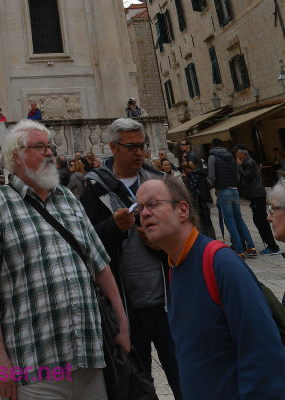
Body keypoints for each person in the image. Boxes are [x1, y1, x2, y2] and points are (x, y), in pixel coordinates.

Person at [0, 120, 128, 400]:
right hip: (35, 366)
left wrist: (122, 323)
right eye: (39, 147)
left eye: (50, 147)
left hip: (89, 356)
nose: (49, 153)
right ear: (16, 156)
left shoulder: (67, 198)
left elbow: (100, 264)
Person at [136, 175, 285, 400]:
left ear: (183, 210)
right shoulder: (175, 267)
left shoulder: (219, 263)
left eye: (153, 204)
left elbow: (264, 355)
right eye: (140, 208)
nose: (144, 213)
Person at [80, 117, 183, 399]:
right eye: (132, 146)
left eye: (142, 146)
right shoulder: (94, 190)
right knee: (138, 385)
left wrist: (160, 241)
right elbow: (86, 243)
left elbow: (185, 231)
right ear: (113, 147)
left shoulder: (160, 185)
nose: (139, 152)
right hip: (126, 309)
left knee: (184, 377)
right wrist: (114, 227)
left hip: (167, 301)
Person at [207, 137, 256, 257]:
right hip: (234, 190)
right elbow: (238, 176)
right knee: (239, 219)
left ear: (212, 146)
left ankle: (239, 251)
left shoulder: (212, 157)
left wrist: (209, 185)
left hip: (224, 191)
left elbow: (212, 176)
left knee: (230, 221)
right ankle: (251, 247)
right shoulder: (230, 156)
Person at [236, 146, 279, 254]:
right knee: (258, 220)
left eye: (237, 153)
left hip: (257, 194)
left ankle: (273, 246)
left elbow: (246, 177)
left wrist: (239, 166)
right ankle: (269, 244)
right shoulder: (248, 163)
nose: (236, 156)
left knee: (262, 220)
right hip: (255, 194)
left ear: (243, 154)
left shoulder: (250, 163)